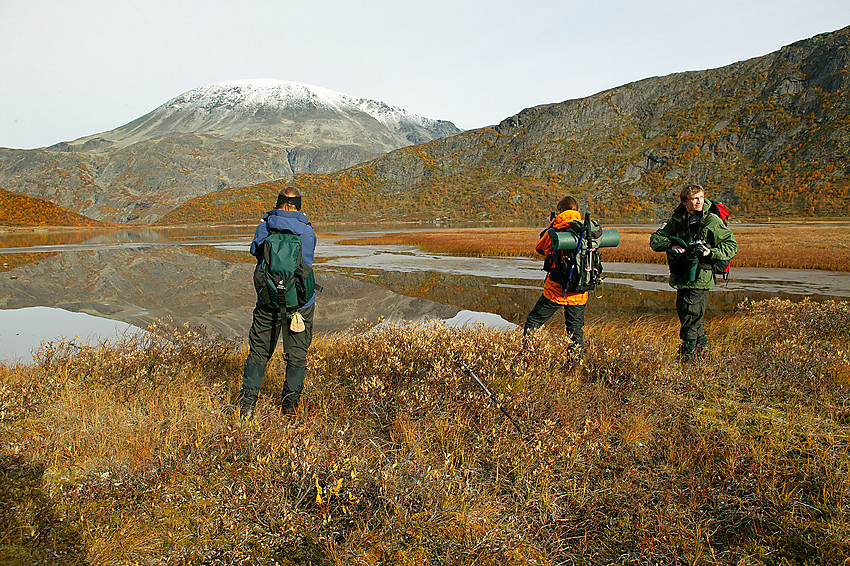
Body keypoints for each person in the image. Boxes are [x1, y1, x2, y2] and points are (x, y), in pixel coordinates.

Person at [238, 186, 317, 417]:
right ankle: (289, 407)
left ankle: (247, 406)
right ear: (299, 204)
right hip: (299, 304)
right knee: (297, 354)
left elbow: (255, 251)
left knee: (259, 352)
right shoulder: (307, 231)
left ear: (278, 202)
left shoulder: (264, 226)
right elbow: (307, 261)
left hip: (268, 301)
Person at [650, 184, 737, 362]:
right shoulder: (677, 220)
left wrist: (709, 252)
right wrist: (671, 245)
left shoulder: (711, 220)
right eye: (694, 198)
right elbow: (655, 240)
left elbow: (731, 246)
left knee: (690, 313)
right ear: (685, 202)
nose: (699, 202)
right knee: (687, 314)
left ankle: (688, 355)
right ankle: (703, 351)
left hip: (701, 275)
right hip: (682, 275)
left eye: (701, 198)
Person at [523, 195, 588, 347]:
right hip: (580, 290)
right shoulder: (586, 228)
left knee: (533, 321)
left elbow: (540, 248)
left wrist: (548, 227)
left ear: (559, 211)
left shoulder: (555, 229)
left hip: (556, 289)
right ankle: (575, 366)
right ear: (577, 210)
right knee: (575, 330)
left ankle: (528, 356)